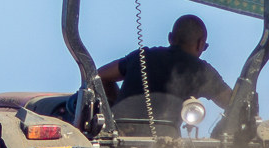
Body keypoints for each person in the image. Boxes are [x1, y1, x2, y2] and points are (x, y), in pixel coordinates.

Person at [97, 15, 233, 110]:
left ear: (170, 38)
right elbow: (233, 104)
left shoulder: (141, 56)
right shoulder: (202, 71)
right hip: (166, 143)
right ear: (200, 44)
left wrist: (117, 107)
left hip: (122, 135)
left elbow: (98, 77)